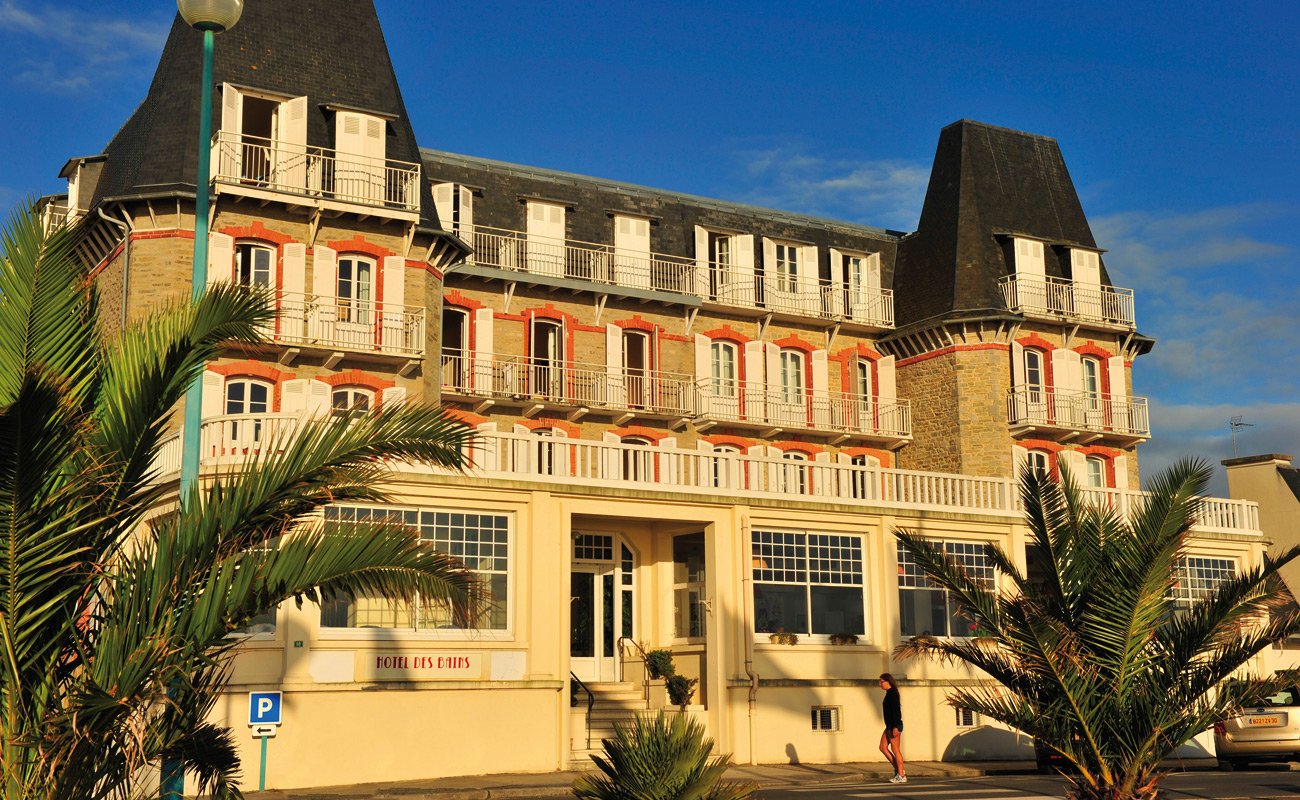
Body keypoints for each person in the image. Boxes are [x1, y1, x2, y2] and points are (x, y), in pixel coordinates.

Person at [879, 673, 905, 783]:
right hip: (889, 726)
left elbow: (896, 711)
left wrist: (895, 727)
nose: (880, 684)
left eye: (881, 682)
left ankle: (901, 775)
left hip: (894, 726)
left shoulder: (892, 694)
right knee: (883, 747)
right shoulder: (889, 693)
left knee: (895, 749)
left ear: (887, 682)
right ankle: (899, 770)